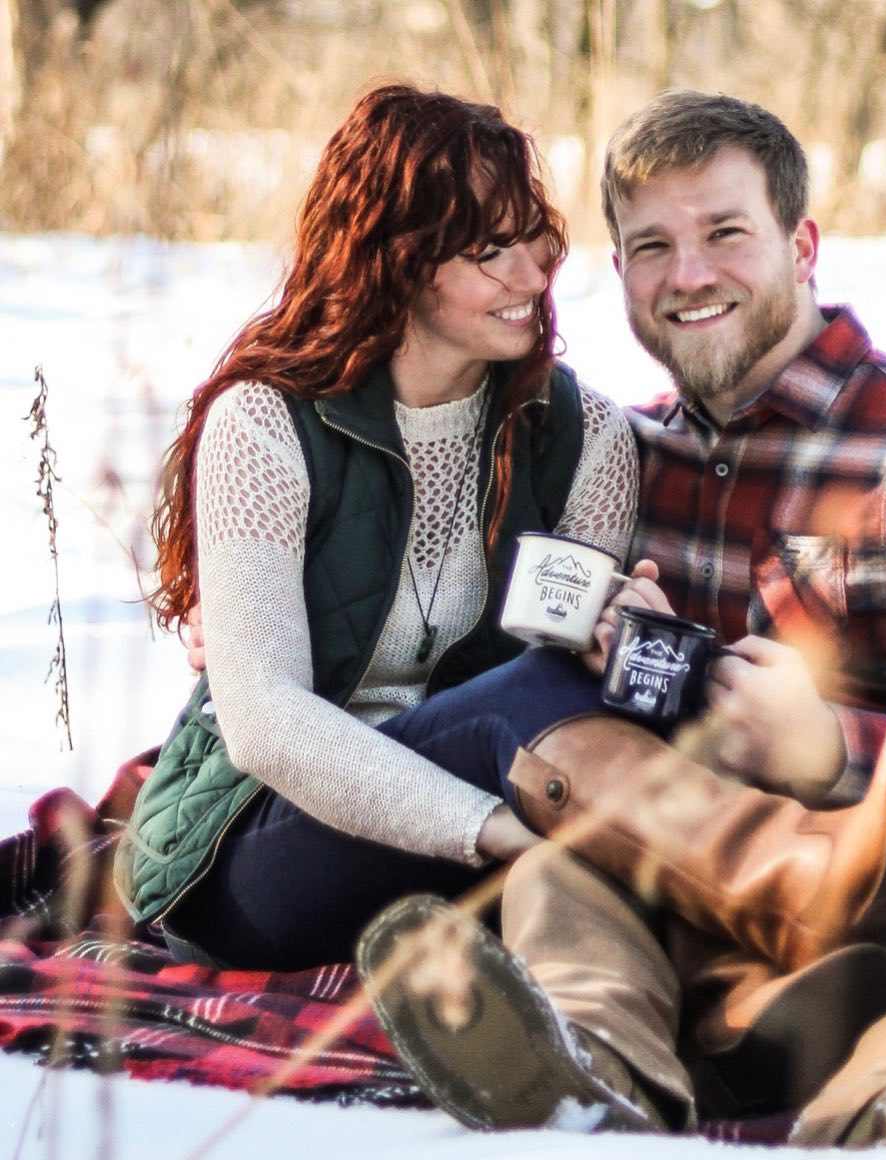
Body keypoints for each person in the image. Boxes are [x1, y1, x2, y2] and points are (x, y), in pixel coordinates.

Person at [353, 89, 886, 1159]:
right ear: (621, 277)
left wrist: (832, 749)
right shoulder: (621, 458)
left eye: (723, 233)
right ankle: (584, 1080)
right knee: (558, 872)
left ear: (801, 245)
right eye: (651, 245)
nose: (687, 274)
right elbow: (445, 604)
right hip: (693, 861)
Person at [111, 83, 641, 971]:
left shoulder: (586, 438)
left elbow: (571, 673)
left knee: (561, 693)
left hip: (497, 825)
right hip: (260, 843)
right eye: (491, 252)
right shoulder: (267, 424)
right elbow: (266, 723)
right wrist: (499, 834)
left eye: (537, 241)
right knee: (528, 702)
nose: (534, 276)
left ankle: (760, 970)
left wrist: (617, 639)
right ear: (394, 259)